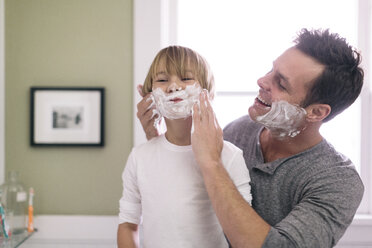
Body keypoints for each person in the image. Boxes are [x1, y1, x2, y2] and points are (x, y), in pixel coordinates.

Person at [137, 29, 365, 247]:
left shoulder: (338, 181)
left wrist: (212, 162)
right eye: (271, 70)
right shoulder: (240, 130)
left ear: (316, 112)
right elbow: (192, 197)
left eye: (281, 83)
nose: (262, 81)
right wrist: (158, 140)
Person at [118, 45, 252, 248]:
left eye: (186, 78)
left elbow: (244, 231)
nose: (173, 87)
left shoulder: (229, 156)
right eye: (162, 80)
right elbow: (128, 224)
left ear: (208, 92)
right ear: (149, 94)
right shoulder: (140, 157)